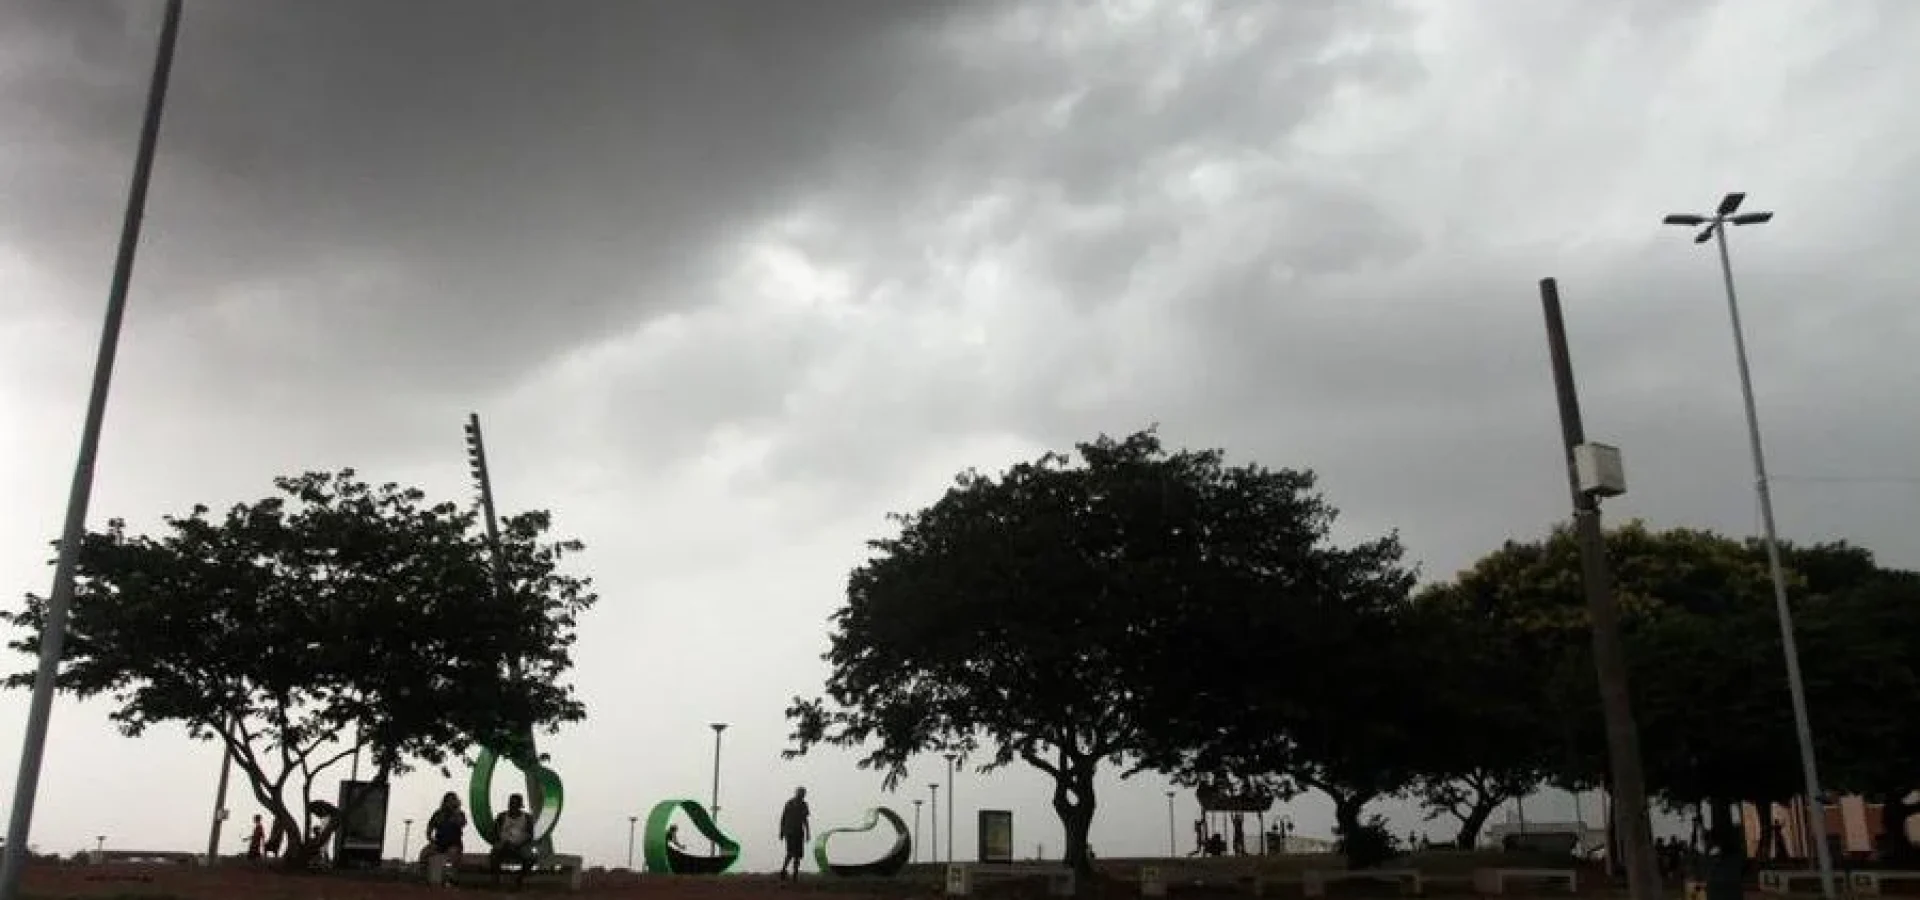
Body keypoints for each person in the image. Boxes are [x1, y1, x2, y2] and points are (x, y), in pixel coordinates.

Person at [491, 793, 538, 889]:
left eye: (516, 804)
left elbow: (530, 835)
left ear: (520, 806)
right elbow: (495, 833)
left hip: (521, 845)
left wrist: (519, 843)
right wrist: (502, 842)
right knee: (494, 854)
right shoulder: (502, 816)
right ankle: (496, 879)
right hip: (504, 844)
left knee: (531, 858)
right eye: (511, 803)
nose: (513, 806)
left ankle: (519, 879)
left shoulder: (527, 818)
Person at [421, 792, 467, 879]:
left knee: (452, 855)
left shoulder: (460, 814)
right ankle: (424, 876)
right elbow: (430, 828)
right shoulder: (438, 814)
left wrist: (455, 812)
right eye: (448, 801)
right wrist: (430, 838)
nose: (450, 803)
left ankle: (450, 878)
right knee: (424, 853)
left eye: (453, 800)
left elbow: (462, 823)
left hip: (454, 844)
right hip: (439, 844)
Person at [778, 787, 811, 880]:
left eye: (803, 793)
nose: (802, 795)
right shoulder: (789, 803)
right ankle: (783, 870)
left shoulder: (804, 804)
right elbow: (783, 818)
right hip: (789, 831)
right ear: (797, 793)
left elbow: (805, 819)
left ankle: (795, 874)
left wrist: (808, 832)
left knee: (798, 855)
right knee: (790, 853)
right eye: (801, 793)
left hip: (799, 832)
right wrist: (781, 831)